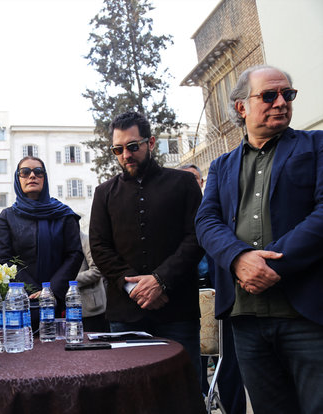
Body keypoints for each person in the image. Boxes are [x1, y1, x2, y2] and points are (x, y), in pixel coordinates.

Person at [195, 65, 323, 414]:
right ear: (241, 107)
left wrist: (269, 264)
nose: (281, 102)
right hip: (246, 319)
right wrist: (239, 259)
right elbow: (206, 221)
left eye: (288, 94)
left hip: (307, 314)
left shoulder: (317, 145)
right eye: (269, 95)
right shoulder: (221, 166)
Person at [89, 111, 204, 380]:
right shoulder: (104, 193)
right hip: (125, 314)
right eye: (118, 149)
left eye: (132, 146)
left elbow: (196, 237)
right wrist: (136, 288)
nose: (125, 155)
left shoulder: (184, 183)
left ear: (150, 142)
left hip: (177, 310)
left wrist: (161, 281)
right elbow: (99, 247)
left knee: (183, 392)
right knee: (130, 396)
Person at [179, 164, 246, 414]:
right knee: (193, 365)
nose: (189, 184)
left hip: (219, 294)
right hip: (187, 299)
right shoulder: (173, 213)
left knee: (227, 364)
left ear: (202, 181)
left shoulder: (218, 208)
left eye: (193, 179)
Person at [0, 156, 83, 316]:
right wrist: (33, 291)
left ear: (45, 178)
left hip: (57, 299)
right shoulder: (7, 216)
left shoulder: (64, 215)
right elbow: (3, 258)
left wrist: (50, 291)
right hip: (20, 302)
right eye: (25, 172)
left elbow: (74, 255)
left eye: (38, 172)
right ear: (17, 178)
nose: (32, 176)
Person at [76, 231, 107, 332]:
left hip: (91, 309)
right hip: (68, 309)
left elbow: (97, 270)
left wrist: (69, 281)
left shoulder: (86, 240)